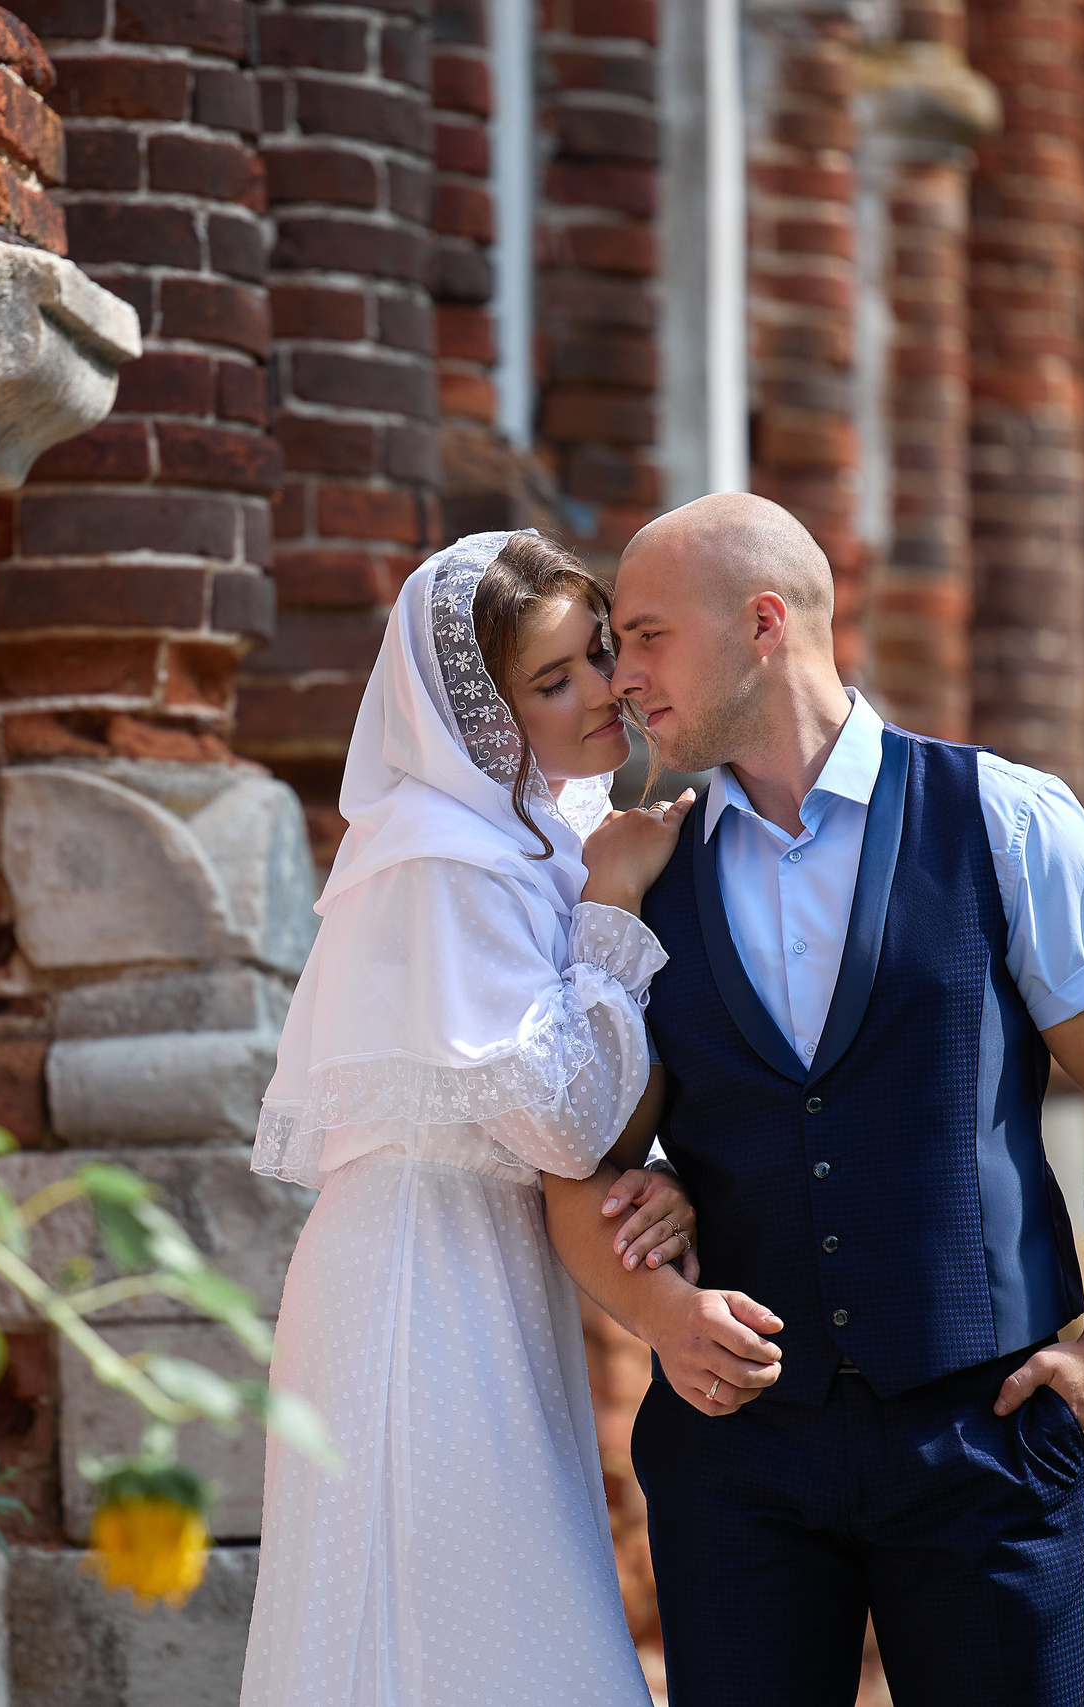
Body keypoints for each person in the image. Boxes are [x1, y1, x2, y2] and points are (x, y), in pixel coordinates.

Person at [541, 492, 1084, 1705]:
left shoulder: (1005, 818)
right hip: (737, 1459)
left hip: (983, 1434)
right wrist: (659, 1306)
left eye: (643, 636)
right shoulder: (641, 873)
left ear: (763, 624)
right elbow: (584, 1155)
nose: (618, 677)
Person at [238, 530, 763, 1707]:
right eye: (551, 680)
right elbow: (565, 1122)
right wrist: (614, 902)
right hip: (418, 1282)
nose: (601, 693)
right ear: (480, 718)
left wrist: (666, 1162)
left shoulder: (530, 844)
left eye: (598, 654)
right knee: (465, 1633)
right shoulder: (446, 860)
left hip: (484, 1267)